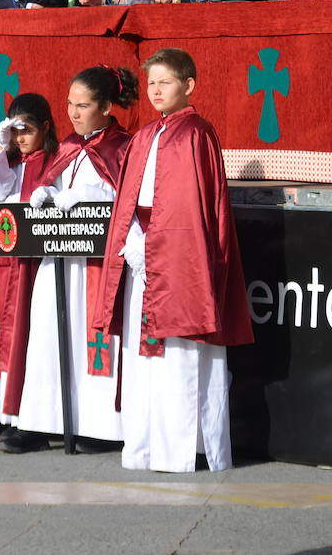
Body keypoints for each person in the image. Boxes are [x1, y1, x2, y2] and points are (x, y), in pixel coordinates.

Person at [91, 48, 253, 473]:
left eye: (165, 82)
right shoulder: (144, 135)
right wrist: (130, 236)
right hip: (139, 254)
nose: (157, 90)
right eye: (151, 83)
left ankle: (179, 451)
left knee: (180, 353)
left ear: (189, 85)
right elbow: (129, 197)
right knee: (143, 357)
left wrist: (160, 242)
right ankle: (144, 445)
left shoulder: (196, 133)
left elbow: (194, 207)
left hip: (180, 259)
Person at [12, 65, 137, 454]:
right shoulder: (68, 144)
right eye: (70, 104)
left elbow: (124, 199)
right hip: (59, 255)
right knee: (48, 332)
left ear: (105, 107)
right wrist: (46, 193)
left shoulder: (121, 146)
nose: (74, 113)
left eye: (83, 106)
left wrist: (88, 198)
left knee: (93, 338)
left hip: (95, 264)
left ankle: (98, 424)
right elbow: (54, 180)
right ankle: (41, 419)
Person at [0, 93, 57, 447]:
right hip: (3, 266)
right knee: (1, 338)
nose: (20, 138)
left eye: (27, 130)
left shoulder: (52, 162)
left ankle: (23, 415)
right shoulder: (13, 162)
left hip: (32, 270)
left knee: (23, 341)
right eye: (14, 131)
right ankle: (0, 413)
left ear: (45, 127)